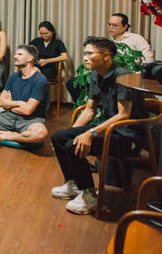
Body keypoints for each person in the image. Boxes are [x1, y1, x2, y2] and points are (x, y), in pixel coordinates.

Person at [50, 37, 149, 215]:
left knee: (73, 145)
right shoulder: (96, 75)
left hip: (128, 135)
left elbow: (123, 115)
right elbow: (89, 110)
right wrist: (71, 131)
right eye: (85, 53)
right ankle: (74, 184)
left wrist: (90, 133)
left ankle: (89, 194)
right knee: (59, 137)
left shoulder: (123, 76)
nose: (85, 58)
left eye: (90, 53)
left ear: (106, 56)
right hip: (110, 128)